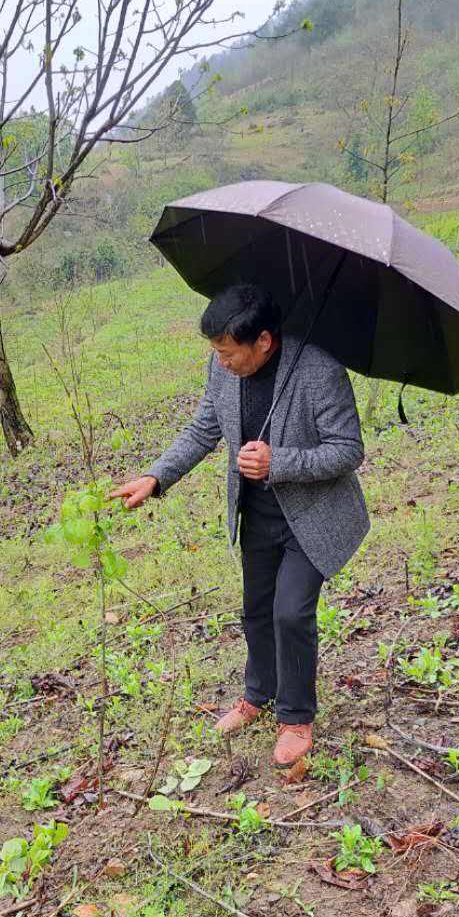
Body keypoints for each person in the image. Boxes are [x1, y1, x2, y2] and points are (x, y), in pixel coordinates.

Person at [111, 284, 369, 767]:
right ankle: (259, 692)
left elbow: (348, 449)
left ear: (264, 341)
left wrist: (278, 461)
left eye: (229, 352)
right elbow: (203, 428)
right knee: (256, 610)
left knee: (290, 613)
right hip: (258, 512)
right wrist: (155, 477)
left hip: (313, 517)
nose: (221, 361)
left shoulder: (318, 370)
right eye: (216, 351)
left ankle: (296, 716)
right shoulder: (223, 370)